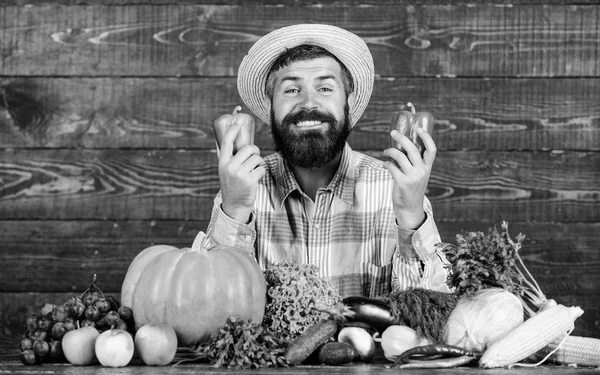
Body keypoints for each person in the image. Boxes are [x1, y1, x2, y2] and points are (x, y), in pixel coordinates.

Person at [204, 24, 450, 297]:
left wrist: (411, 213)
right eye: (291, 90)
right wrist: (236, 208)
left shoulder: (394, 188)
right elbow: (210, 307)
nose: (308, 103)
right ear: (270, 106)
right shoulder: (243, 190)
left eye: (324, 88)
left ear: (349, 102)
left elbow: (430, 313)